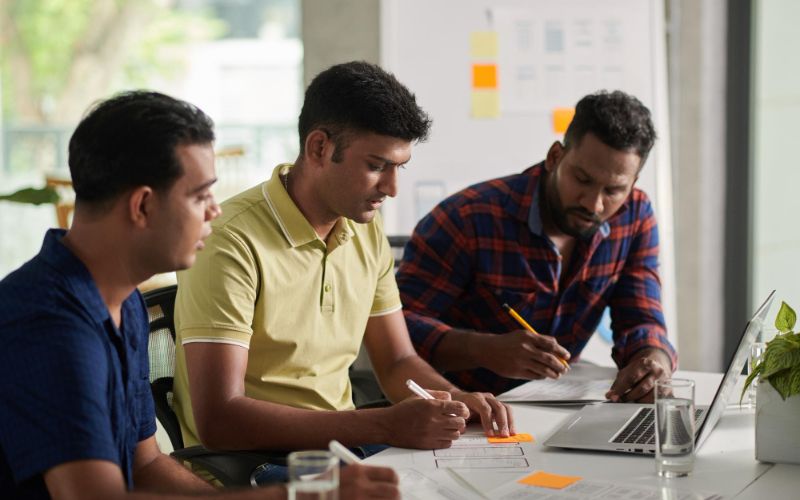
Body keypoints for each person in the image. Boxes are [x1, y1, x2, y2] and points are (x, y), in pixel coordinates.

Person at [0, 91, 399, 499]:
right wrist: (301, 495)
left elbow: (148, 465)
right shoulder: (48, 323)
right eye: (200, 196)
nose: (214, 211)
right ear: (142, 206)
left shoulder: (124, 302)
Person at [171, 62, 514, 476]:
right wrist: (384, 423)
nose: (391, 188)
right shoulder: (229, 240)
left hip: (344, 449)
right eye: (376, 165)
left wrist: (457, 399)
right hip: (252, 464)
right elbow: (220, 421)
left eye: (399, 167)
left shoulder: (363, 229)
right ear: (318, 148)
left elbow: (397, 362)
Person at [396, 90, 677, 403]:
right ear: (555, 156)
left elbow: (641, 317)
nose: (593, 203)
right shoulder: (467, 218)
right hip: (463, 411)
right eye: (582, 179)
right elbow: (397, 328)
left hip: (561, 403)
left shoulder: (635, 215)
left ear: (633, 184)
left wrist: (654, 364)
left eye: (614, 190)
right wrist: (482, 349)